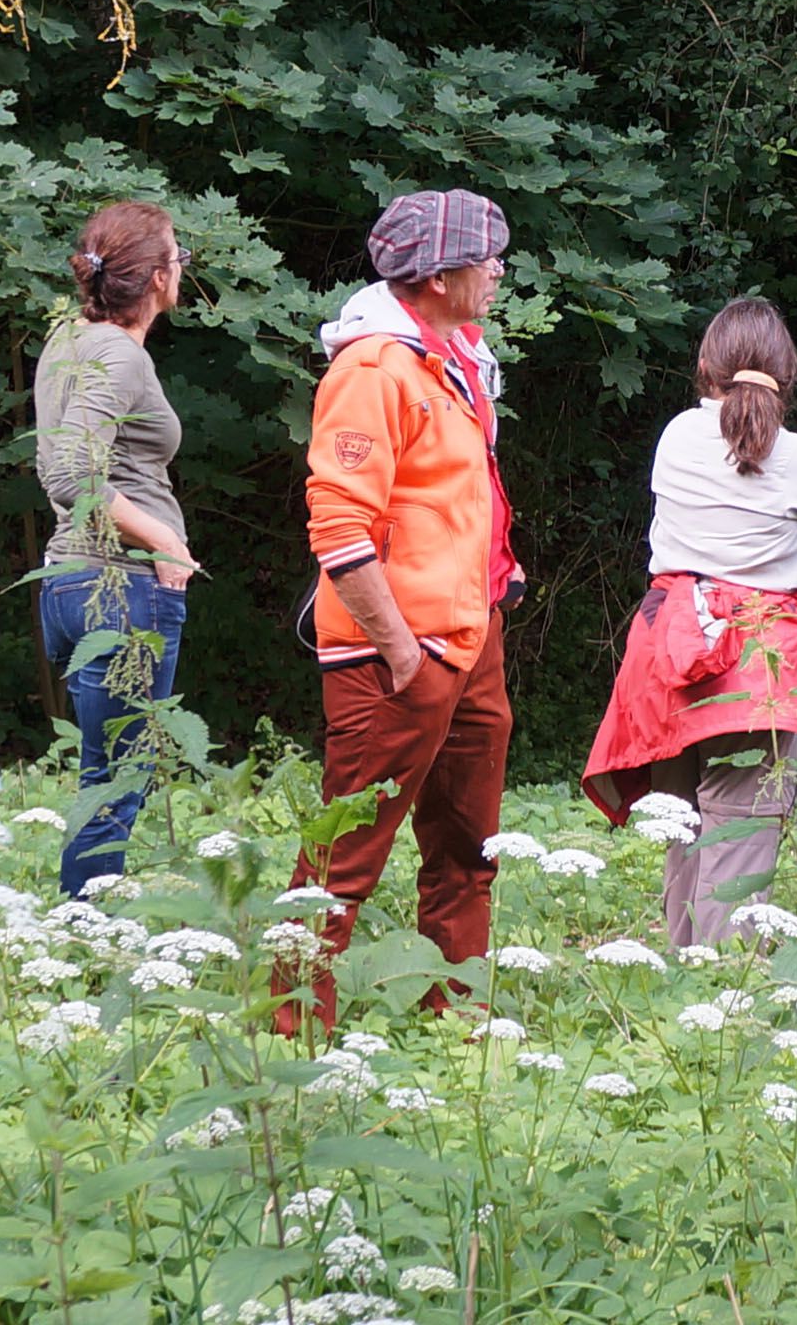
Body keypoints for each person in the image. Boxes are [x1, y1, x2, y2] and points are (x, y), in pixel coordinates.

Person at [283, 187, 524, 1031]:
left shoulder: (454, 358)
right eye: (485, 259)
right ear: (437, 275)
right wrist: (399, 652)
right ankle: (288, 1032)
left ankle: (456, 1021)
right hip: (399, 655)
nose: (498, 271)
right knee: (343, 859)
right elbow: (339, 526)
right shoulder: (373, 368)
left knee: (469, 851)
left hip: (470, 638)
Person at [582, 300, 797, 950]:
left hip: (676, 639)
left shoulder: (678, 436)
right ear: (788, 373)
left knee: (681, 822)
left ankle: (686, 968)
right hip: (760, 651)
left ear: (705, 365)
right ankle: (726, 991)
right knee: (742, 826)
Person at [30, 200, 196, 894]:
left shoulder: (67, 341)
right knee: (118, 778)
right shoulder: (119, 356)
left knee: (104, 772)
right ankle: (85, 936)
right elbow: (69, 471)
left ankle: (81, 924)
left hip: (69, 585)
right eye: (178, 256)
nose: (183, 267)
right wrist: (163, 537)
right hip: (119, 588)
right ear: (157, 277)